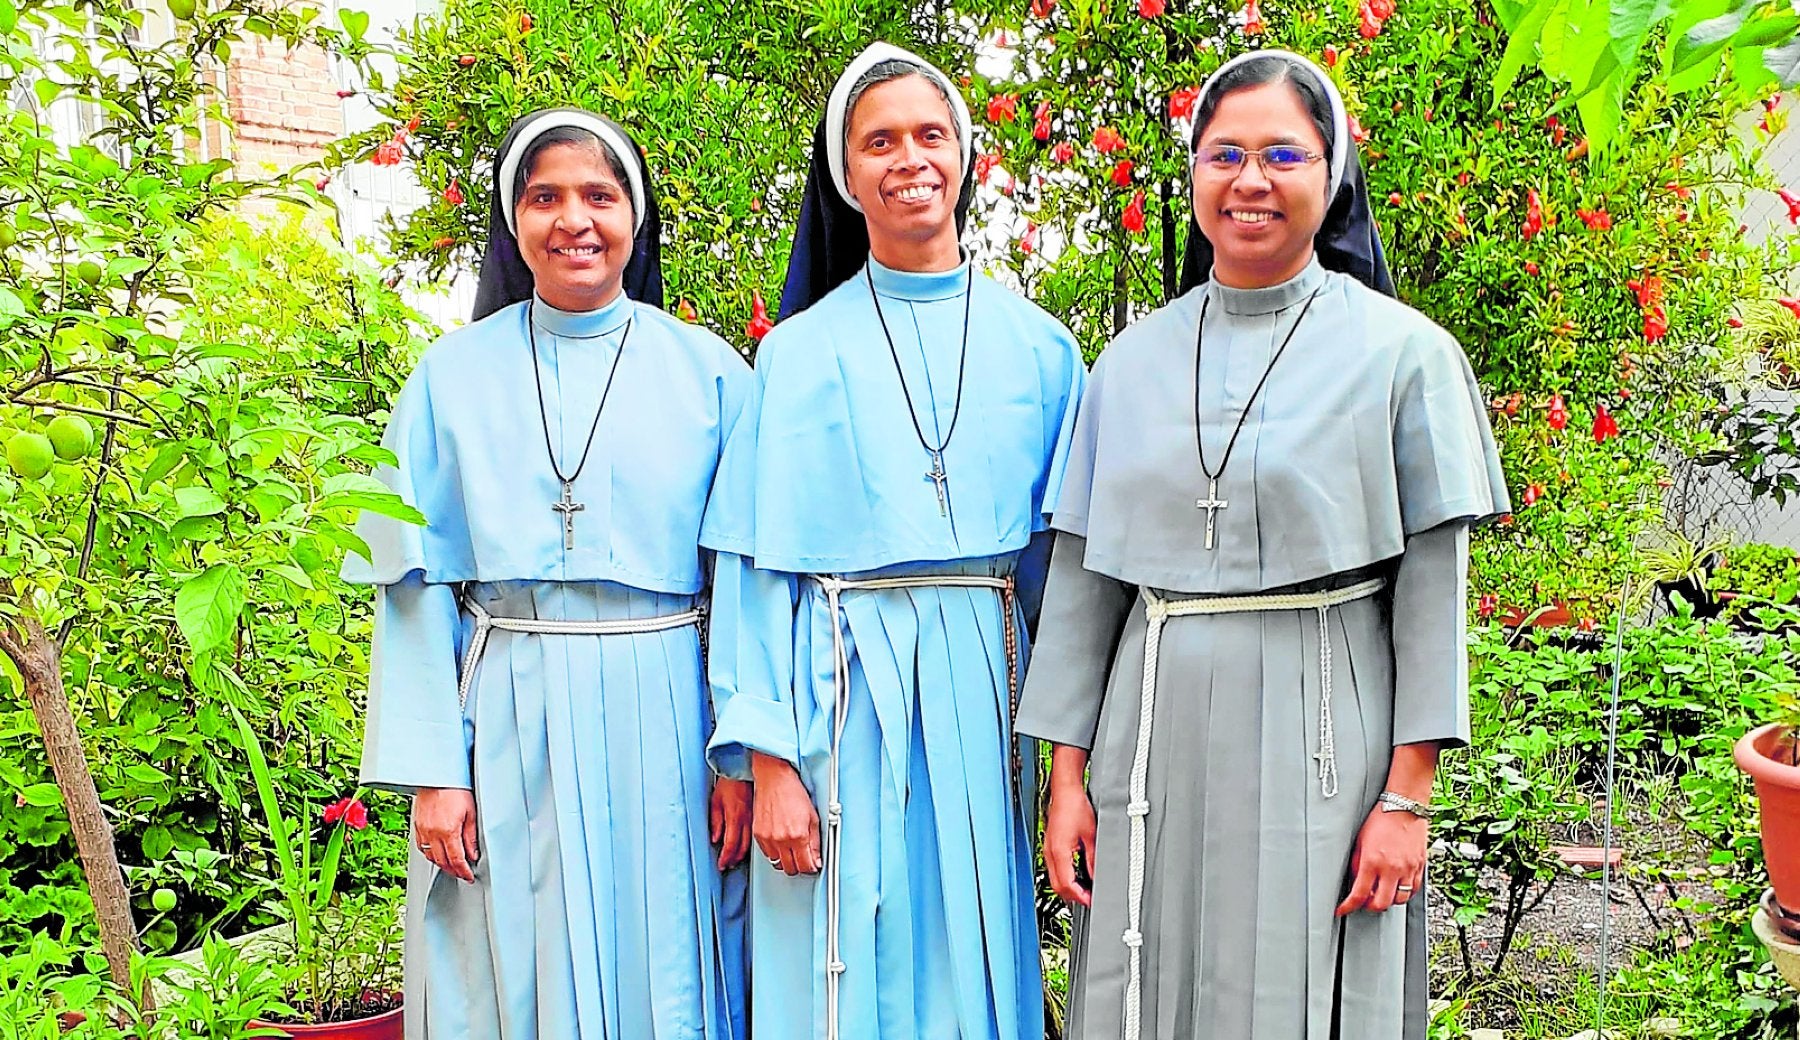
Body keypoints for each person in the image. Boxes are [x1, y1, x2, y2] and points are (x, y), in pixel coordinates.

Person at [1014, 49, 1508, 1040]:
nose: (1249, 179)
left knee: (1302, 985)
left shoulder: (1407, 356)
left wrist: (1407, 798)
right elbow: (1081, 585)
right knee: (1144, 970)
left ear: (1333, 175)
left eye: (1283, 153)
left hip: (1321, 728)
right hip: (1146, 731)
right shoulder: (1129, 361)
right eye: (1223, 153)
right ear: (1192, 173)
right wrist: (1065, 781)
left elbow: (1429, 592)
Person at [698, 42, 1085, 1040]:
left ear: (965, 155)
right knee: (833, 946)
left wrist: (1071, 764)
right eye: (879, 141)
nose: (908, 158)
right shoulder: (792, 355)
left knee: (970, 952)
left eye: (928, 134)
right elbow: (752, 567)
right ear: (845, 172)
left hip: (979, 679)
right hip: (835, 684)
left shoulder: (1043, 349)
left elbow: (1067, 580)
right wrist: (769, 761)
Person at [346, 107, 751, 1040]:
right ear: (513, 220)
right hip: (509, 708)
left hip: (671, 707)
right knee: (512, 961)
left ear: (634, 217)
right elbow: (412, 587)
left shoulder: (712, 373)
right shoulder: (447, 378)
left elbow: (744, 579)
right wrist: (432, 775)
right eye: (545, 197)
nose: (575, 219)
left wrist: (741, 752)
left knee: (678, 959)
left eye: (599, 195)